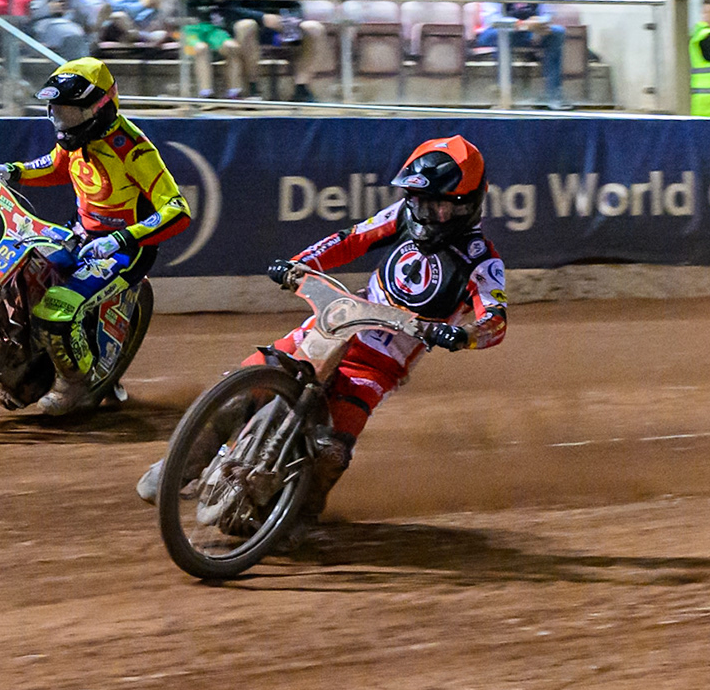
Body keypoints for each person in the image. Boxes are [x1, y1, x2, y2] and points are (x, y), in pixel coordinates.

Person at [135, 136, 505, 523]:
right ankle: (183, 462)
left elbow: (495, 321)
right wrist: (299, 264)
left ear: (467, 205)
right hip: (334, 325)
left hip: (376, 367)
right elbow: (350, 240)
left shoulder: (482, 261)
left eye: (439, 206)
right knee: (243, 384)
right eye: (418, 201)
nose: (426, 214)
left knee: (332, 450)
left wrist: (464, 335)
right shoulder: (402, 215)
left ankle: (297, 518)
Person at [0, 58, 192, 414]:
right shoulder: (78, 139)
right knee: (21, 278)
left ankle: (72, 382)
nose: (63, 122)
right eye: (57, 112)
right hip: (82, 233)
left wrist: (123, 238)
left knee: (56, 309)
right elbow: (56, 165)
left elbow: (177, 209)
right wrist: (12, 171)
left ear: (102, 108)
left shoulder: (133, 149)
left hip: (126, 251)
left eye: (71, 113)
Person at [474, 0, 569, 110]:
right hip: (495, 32)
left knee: (557, 33)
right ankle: (505, 95)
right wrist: (522, 25)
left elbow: (547, 11)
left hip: (528, 31)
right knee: (504, 35)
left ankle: (553, 95)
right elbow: (493, 18)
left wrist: (540, 22)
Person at [174, 0, 244, 99]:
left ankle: (234, 93)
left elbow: (221, 8)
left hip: (211, 28)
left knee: (232, 47)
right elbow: (180, 7)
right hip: (189, 29)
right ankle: (206, 94)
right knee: (201, 48)